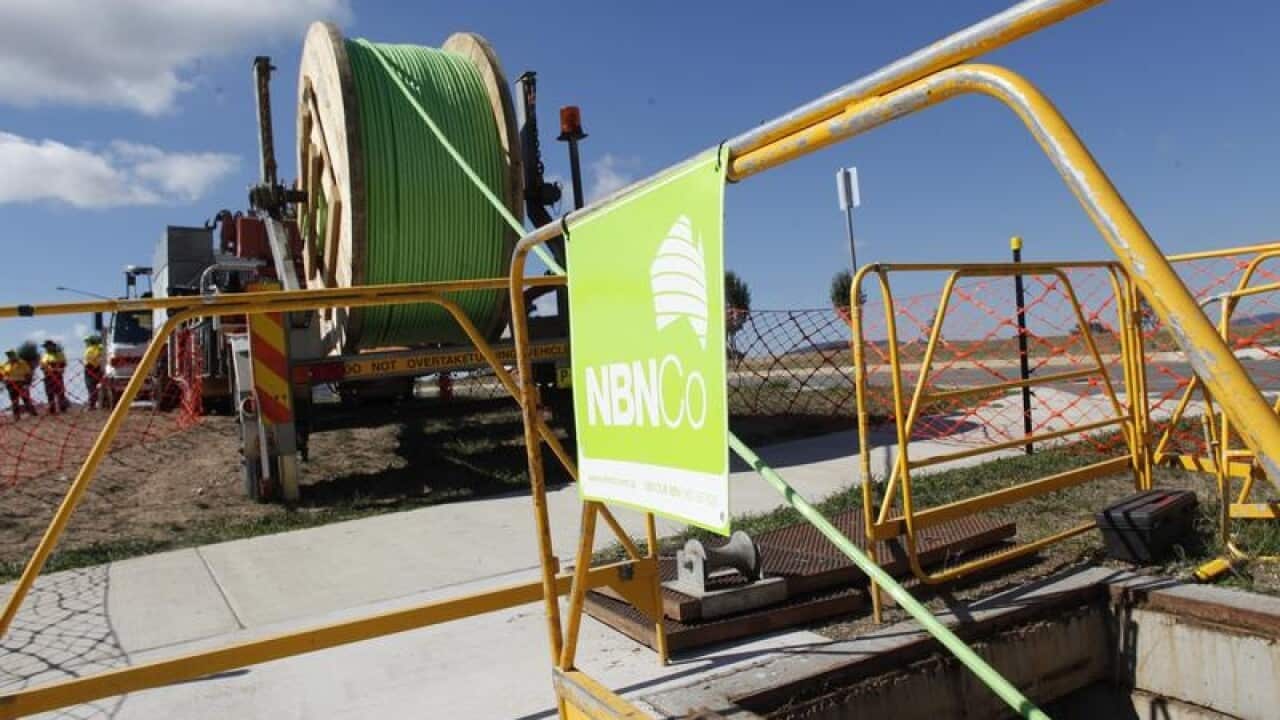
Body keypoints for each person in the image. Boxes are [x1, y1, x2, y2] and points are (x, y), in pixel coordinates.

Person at [3, 349, 37, 420]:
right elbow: (2, 375)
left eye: (11, 354)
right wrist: (4, 379)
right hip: (11, 384)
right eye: (8, 355)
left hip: (22, 383)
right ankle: (17, 417)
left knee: (26, 399)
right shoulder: (5, 365)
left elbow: (28, 374)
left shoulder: (22, 363)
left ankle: (33, 413)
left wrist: (27, 384)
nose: (10, 356)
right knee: (14, 401)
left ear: (15, 355)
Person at [40, 340, 70, 414]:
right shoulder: (44, 356)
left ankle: (63, 409)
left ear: (53, 346)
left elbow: (64, 363)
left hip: (58, 376)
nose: (47, 348)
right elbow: (42, 366)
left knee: (60, 393)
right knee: (50, 394)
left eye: (48, 346)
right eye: (46, 346)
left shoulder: (60, 354)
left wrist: (58, 368)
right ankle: (52, 410)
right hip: (48, 377)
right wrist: (47, 368)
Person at [83, 336, 105, 410]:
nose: (86, 343)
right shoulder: (101, 348)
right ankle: (100, 404)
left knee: (91, 388)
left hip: (90, 370)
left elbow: (89, 360)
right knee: (99, 388)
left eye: (87, 342)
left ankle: (92, 405)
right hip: (99, 369)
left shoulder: (89, 350)